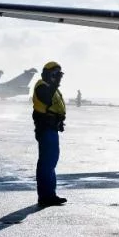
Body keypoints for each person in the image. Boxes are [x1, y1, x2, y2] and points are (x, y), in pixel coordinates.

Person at [32, 61, 67, 207]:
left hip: (52, 128)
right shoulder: (42, 86)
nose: (56, 78)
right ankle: (45, 196)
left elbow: (55, 107)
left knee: (51, 162)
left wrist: (59, 121)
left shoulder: (52, 88)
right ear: (47, 74)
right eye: (54, 75)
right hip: (45, 129)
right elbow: (46, 99)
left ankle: (50, 194)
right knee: (46, 163)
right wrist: (55, 84)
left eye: (58, 75)